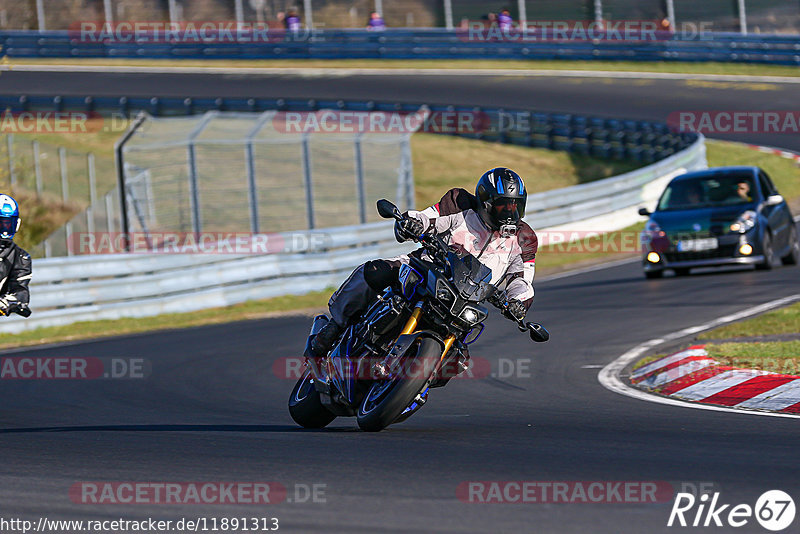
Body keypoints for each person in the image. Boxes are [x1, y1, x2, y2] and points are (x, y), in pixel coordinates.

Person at [311, 167, 537, 358]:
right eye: (503, 206)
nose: (510, 213)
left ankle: (415, 388)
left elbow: (522, 281)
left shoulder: (524, 239)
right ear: (486, 202)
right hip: (428, 270)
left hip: (468, 300)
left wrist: (516, 302)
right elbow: (428, 217)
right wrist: (411, 223)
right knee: (375, 271)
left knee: (458, 360)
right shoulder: (460, 204)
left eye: (515, 206)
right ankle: (335, 325)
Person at [0, 194, 31, 318]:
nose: (4, 229)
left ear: (16, 224)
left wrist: (7, 302)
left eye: (8, 224)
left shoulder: (20, 257)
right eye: (1, 223)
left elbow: (20, 290)